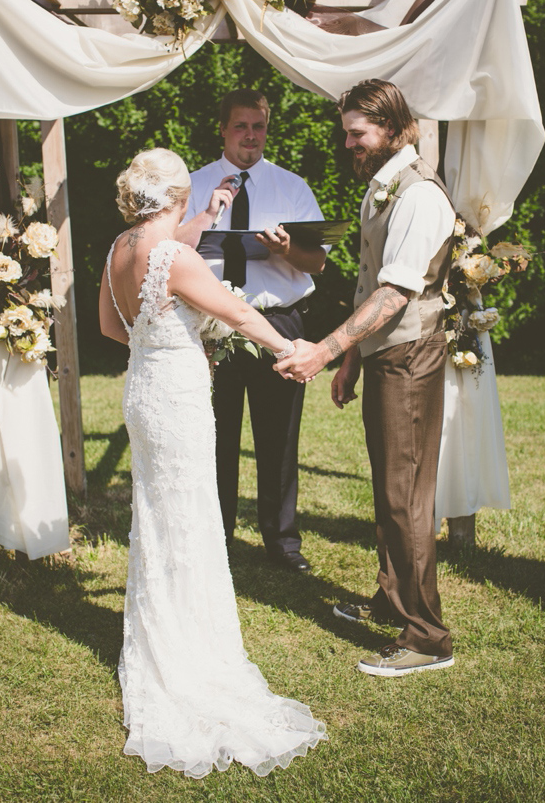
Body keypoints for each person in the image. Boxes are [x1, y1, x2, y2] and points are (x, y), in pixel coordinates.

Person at [99, 148, 326, 777]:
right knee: (190, 514)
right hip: (175, 396)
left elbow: (111, 329)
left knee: (159, 514)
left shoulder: (120, 248)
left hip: (142, 390)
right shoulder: (175, 256)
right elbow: (241, 311)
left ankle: (156, 634)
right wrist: (295, 346)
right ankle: (192, 652)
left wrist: (164, 333)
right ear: (174, 200)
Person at [275, 79, 456, 677]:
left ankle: (427, 637)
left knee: (406, 496)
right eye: (347, 131)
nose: (348, 143)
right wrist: (353, 361)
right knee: (389, 487)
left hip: (410, 356)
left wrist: (327, 349)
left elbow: (396, 292)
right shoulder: (381, 187)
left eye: (358, 133)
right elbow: (367, 282)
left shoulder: (419, 196)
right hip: (382, 355)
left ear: (393, 129)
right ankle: (391, 598)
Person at [178, 89, 327, 572]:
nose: (250, 135)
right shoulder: (193, 185)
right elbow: (168, 251)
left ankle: (282, 542)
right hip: (208, 326)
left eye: (258, 126)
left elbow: (318, 262)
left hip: (277, 322)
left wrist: (287, 250)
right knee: (214, 434)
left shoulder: (292, 187)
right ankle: (215, 538)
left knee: (280, 436)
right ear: (222, 129)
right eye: (241, 126)